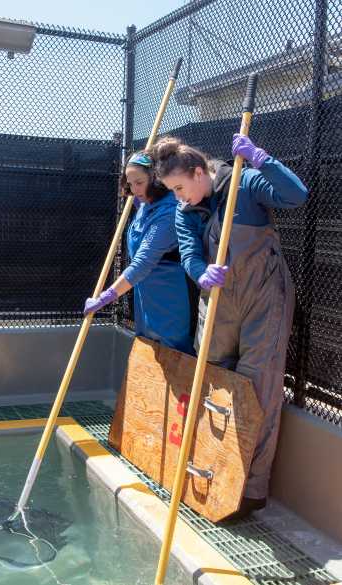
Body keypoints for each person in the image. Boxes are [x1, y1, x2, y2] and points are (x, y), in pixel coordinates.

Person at [150, 134, 308, 520]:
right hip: (218, 303)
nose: (179, 197)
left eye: (181, 188)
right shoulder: (185, 211)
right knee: (214, 382)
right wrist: (201, 273)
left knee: (258, 390)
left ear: (199, 172)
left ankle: (249, 490)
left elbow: (296, 195)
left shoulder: (246, 183)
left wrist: (261, 159)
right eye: (172, 191)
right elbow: (188, 252)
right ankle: (211, 476)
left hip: (263, 300)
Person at [83, 151, 195, 354]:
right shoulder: (145, 204)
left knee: (175, 354)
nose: (134, 189)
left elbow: (142, 263)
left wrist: (105, 297)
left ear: (156, 178)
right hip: (144, 296)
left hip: (168, 296)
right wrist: (142, 199)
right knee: (147, 351)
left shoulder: (169, 213)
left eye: (139, 182)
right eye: (130, 183)